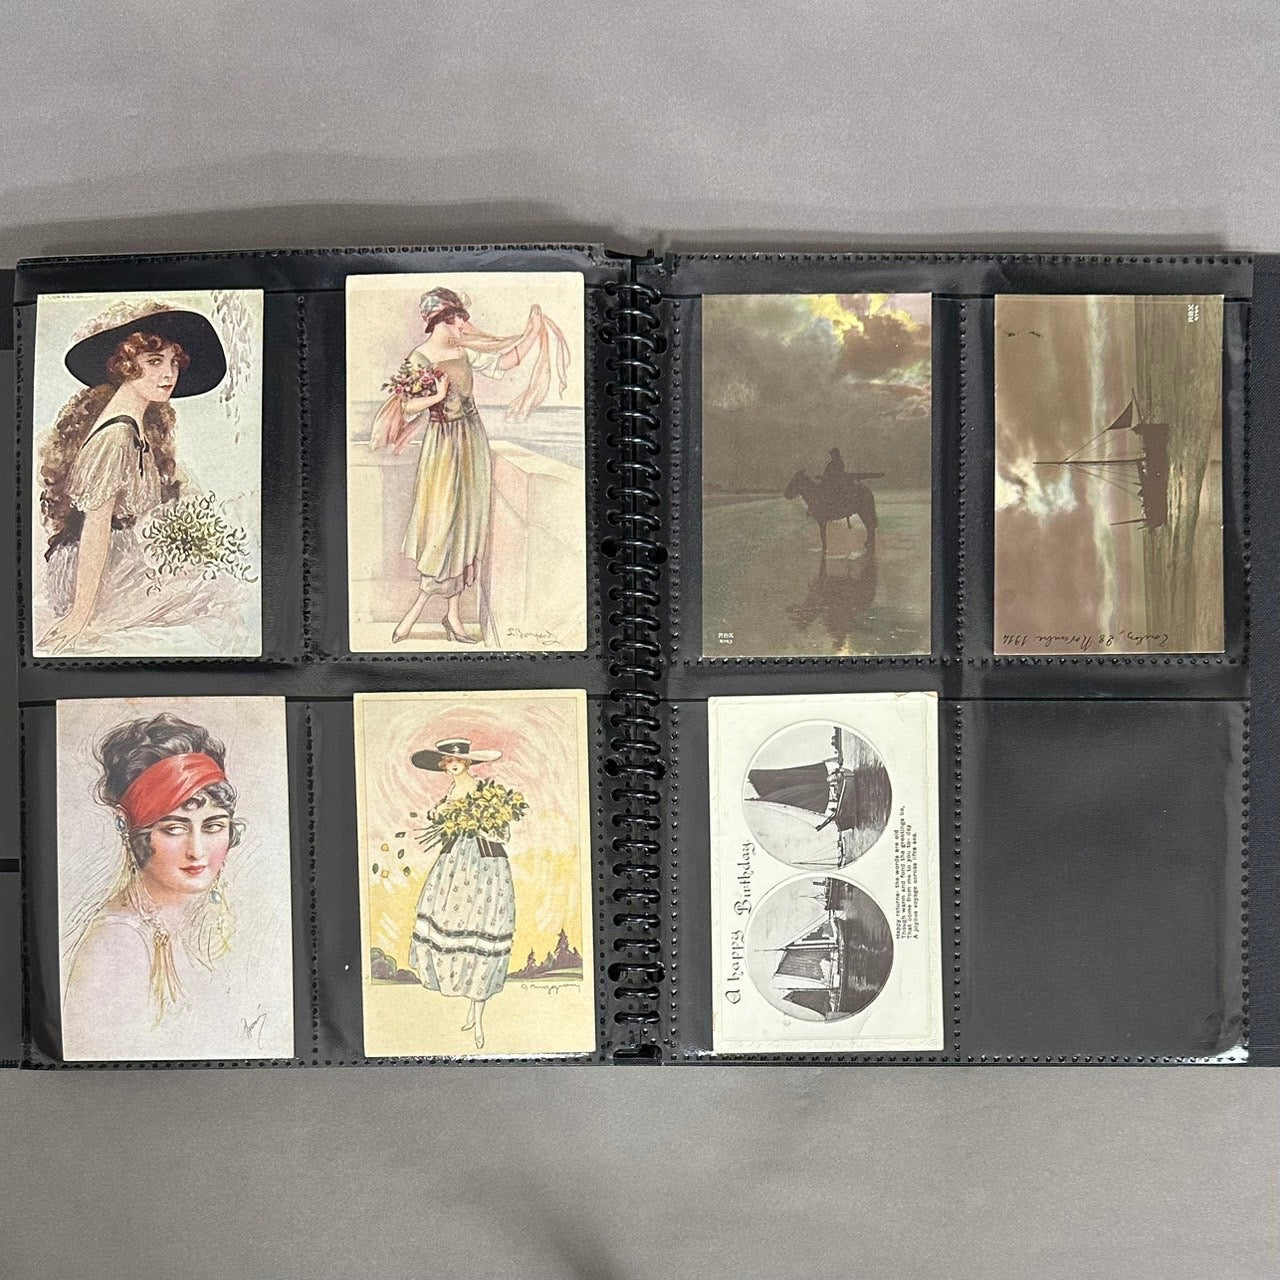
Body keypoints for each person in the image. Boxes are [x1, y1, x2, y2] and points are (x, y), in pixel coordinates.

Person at [36, 299, 239, 656]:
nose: (169, 374)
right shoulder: (116, 435)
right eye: (155, 361)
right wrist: (79, 616)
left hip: (119, 560)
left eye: (174, 362)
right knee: (216, 596)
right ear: (125, 366)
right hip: (92, 574)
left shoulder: (138, 425)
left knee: (216, 583)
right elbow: (96, 526)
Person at [370, 287, 568, 645]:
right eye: (459, 319)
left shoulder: (463, 351)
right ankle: (416, 610)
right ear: (442, 320)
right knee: (442, 527)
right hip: (442, 448)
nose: (464, 325)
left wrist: (533, 333)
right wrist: (436, 396)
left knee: (467, 525)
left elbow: (505, 362)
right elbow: (406, 407)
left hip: (472, 441)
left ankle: (453, 617)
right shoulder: (420, 357)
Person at [62, 714, 249, 1057]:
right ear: (133, 832)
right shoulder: (117, 942)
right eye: (174, 829)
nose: (197, 850)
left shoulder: (213, 920)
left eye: (213, 826)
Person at [407, 737, 515, 1049]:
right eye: (448, 761)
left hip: (485, 865)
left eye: (458, 760)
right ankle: (470, 1011)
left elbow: (503, 833)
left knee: (483, 928)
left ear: (467, 762)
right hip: (454, 865)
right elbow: (440, 820)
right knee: (451, 920)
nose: (453, 765)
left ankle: (478, 1018)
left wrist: (478, 824)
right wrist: (442, 815)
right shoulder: (450, 793)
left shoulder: (484, 791)